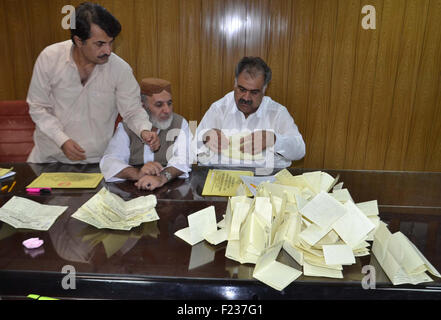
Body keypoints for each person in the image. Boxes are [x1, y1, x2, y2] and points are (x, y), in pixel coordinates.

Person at [26, 2, 159, 164]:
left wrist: (144, 130)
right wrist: (62, 140)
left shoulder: (120, 69)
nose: (108, 51)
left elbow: (132, 111)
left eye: (111, 42)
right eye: (100, 44)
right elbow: (38, 107)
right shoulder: (49, 58)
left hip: (97, 162)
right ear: (79, 41)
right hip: (49, 160)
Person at [195, 56, 305, 170]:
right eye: (242, 90)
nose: (246, 98)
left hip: (265, 179)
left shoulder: (277, 113)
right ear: (235, 84)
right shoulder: (219, 108)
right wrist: (205, 137)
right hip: (222, 175)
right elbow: (192, 148)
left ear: (264, 90)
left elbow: (300, 151)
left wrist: (274, 139)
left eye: (254, 92)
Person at [100, 78, 192, 191]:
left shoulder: (180, 123)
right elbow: (110, 161)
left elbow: (183, 160)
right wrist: (137, 174)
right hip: (133, 190)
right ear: (143, 107)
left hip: (169, 189)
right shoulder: (127, 126)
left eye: (169, 103)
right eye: (159, 105)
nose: (167, 110)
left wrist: (162, 178)